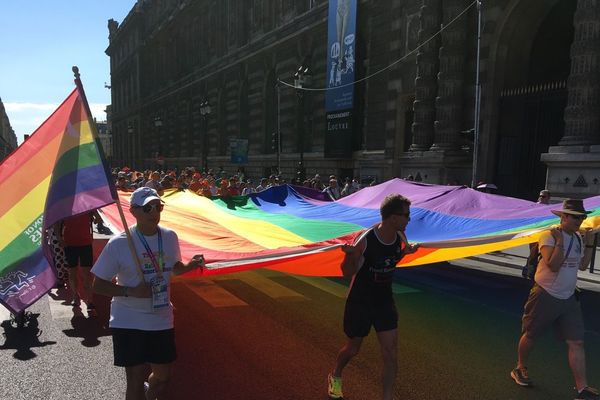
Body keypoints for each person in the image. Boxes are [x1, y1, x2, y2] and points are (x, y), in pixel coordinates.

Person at [91, 187, 205, 400]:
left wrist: (190, 265)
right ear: (133, 211)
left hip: (160, 318)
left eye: (158, 207)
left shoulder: (169, 237)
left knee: (163, 377)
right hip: (128, 319)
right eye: (148, 208)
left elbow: (174, 267)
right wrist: (130, 291)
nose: (154, 212)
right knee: (134, 378)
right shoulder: (119, 243)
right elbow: (98, 285)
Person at [327, 194, 419, 400]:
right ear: (393, 217)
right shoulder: (365, 240)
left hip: (384, 301)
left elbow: (393, 257)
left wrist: (408, 252)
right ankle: (336, 374)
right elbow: (346, 272)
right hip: (361, 300)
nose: (408, 219)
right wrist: (350, 256)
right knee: (352, 349)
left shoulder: (401, 238)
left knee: (390, 354)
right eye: (406, 215)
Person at [510, 199, 598, 400]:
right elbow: (553, 265)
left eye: (582, 217)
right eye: (576, 216)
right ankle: (519, 368)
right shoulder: (548, 236)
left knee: (577, 342)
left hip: (569, 297)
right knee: (530, 334)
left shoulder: (577, 238)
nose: (580, 220)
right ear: (564, 216)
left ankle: (582, 388)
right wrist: (560, 241)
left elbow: (583, 265)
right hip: (545, 293)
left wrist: (591, 241)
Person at [60, 212, 97, 316]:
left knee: (87, 274)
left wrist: (95, 216)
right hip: (70, 243)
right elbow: (57, 223)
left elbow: (96, 218)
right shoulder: (65, 205)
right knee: (72, 272)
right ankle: (75, 296)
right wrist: (59, 238)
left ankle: (90, 301)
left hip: (85, 243)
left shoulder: (86, 203)